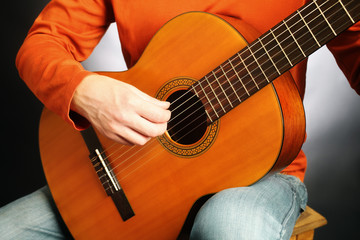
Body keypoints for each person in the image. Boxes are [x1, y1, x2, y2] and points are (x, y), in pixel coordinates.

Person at [1, 0, 359, 239]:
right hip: (131, 171)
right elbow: (41, 44)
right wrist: (83, 90)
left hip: (259, 176)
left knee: (229, 226)